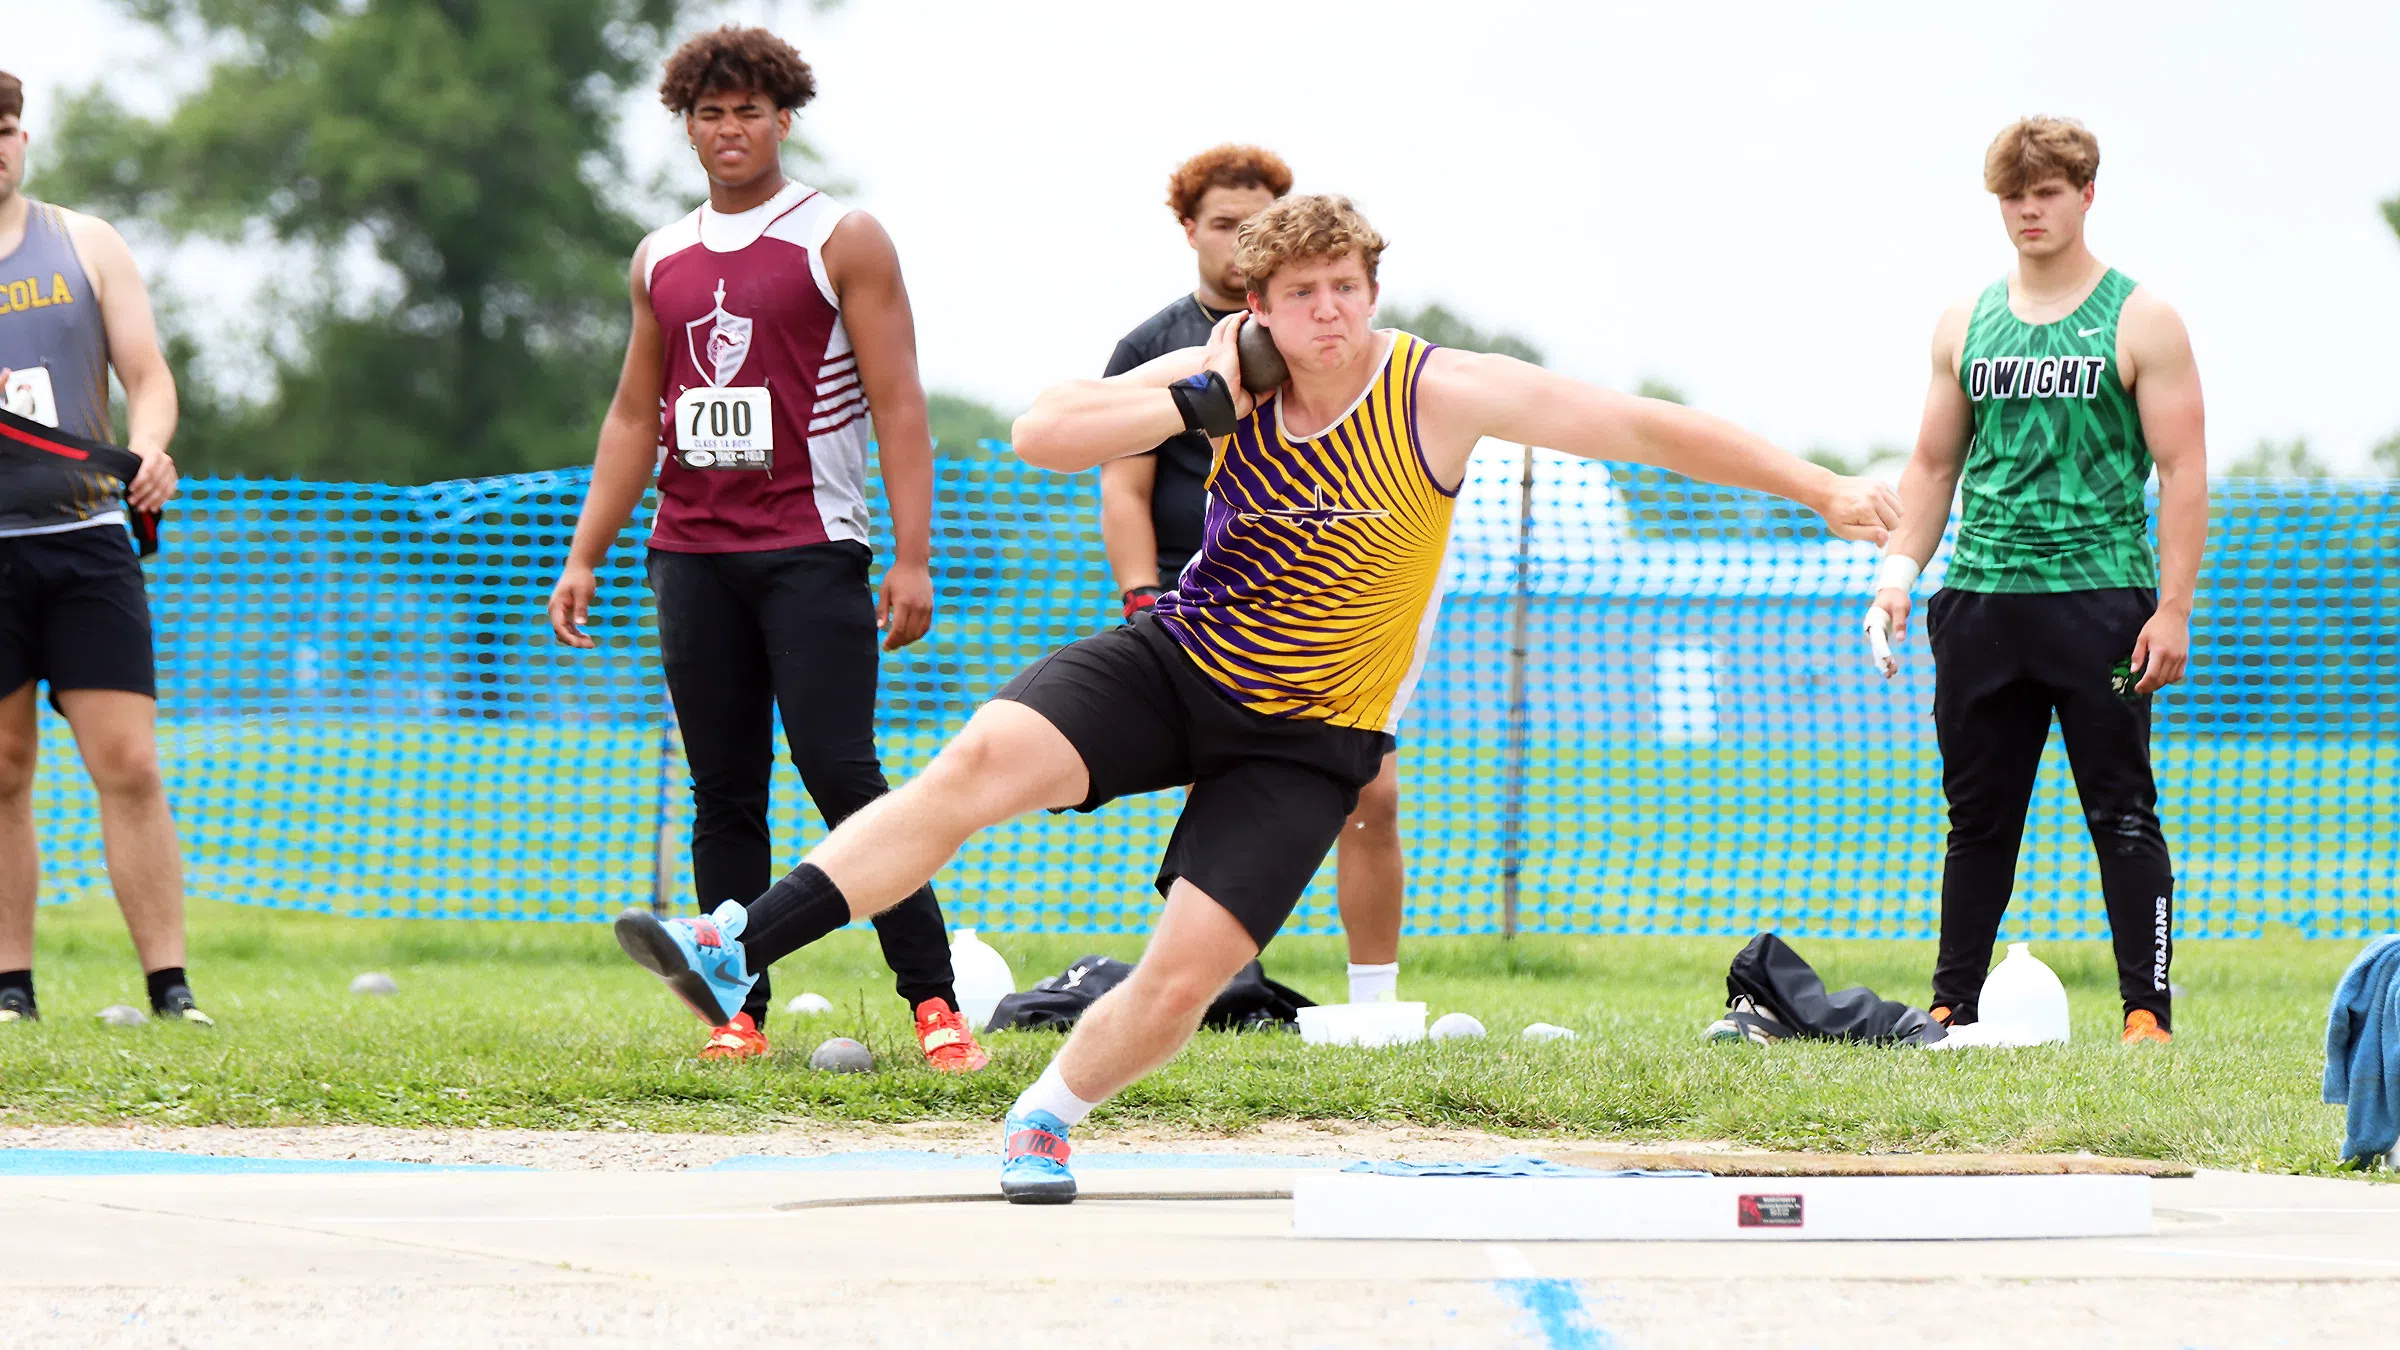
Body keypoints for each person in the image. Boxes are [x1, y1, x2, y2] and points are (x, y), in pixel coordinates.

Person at [611, 193, 1896, 1201]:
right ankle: (737, 951)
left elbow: (1639, 425)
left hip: (1312, 737)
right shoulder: (1224, 374)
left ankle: (1046, 1119)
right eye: (1302, 295)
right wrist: (1195, 395)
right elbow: (1040, 431)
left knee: (1183, 979)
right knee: (971, 766)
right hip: (1181, 661)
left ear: (1374, 291)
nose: (1330, 314)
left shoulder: (1435, 391)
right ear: (1258, 304)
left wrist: (1825, 491)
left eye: (1348, 289)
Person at [547, 28, 985, 1070]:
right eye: (709, 112)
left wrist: (912, 555)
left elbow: (898, 401)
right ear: (686, 125)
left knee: (845, 778)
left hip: (812, 547)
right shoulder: (660, 255)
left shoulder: (841, 237)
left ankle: (934, 1000)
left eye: (748, 110)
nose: (729, 128)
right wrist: (584, 552)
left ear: (784, 118)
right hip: (691, 552)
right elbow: (630, 418)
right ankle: (736, 1009)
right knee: (724, 788)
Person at [1864, 117, 2206, 1046]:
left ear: (2086, 194)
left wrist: (2173, 609)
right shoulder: (1964, 322)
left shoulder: (2142, 318)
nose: (2029, 211)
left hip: (2100, 605)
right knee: (1977, 820)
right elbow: (1933, 467)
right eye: (2014, 196)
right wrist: (1898, 574)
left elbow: (2183, 470)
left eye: (2047, 192)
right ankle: (1951, 1006)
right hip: (1979, 604)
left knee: (2121, 810)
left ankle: (2147, 1013)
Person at [1101, 146, 1405, 1007]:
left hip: (1313, 595)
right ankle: (1220, 986)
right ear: (1191, 229)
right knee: (1215, 792)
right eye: (1225, 224)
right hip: (1188, 595)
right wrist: (1140, 596)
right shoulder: (1153, 344)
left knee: (1371, 792)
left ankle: (1374, 1001)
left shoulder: (1327, 337)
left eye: (1256, 224)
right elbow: (1121, 485)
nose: (1240, 241)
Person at [0, 69, 208, 1026]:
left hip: (87, 542)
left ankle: (171, 991)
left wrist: (152, 451)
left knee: (129, 762)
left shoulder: (85, 242)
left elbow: (147, 375)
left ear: (24, 140)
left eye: (6, 129)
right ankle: (11, 990)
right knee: (3, 767)